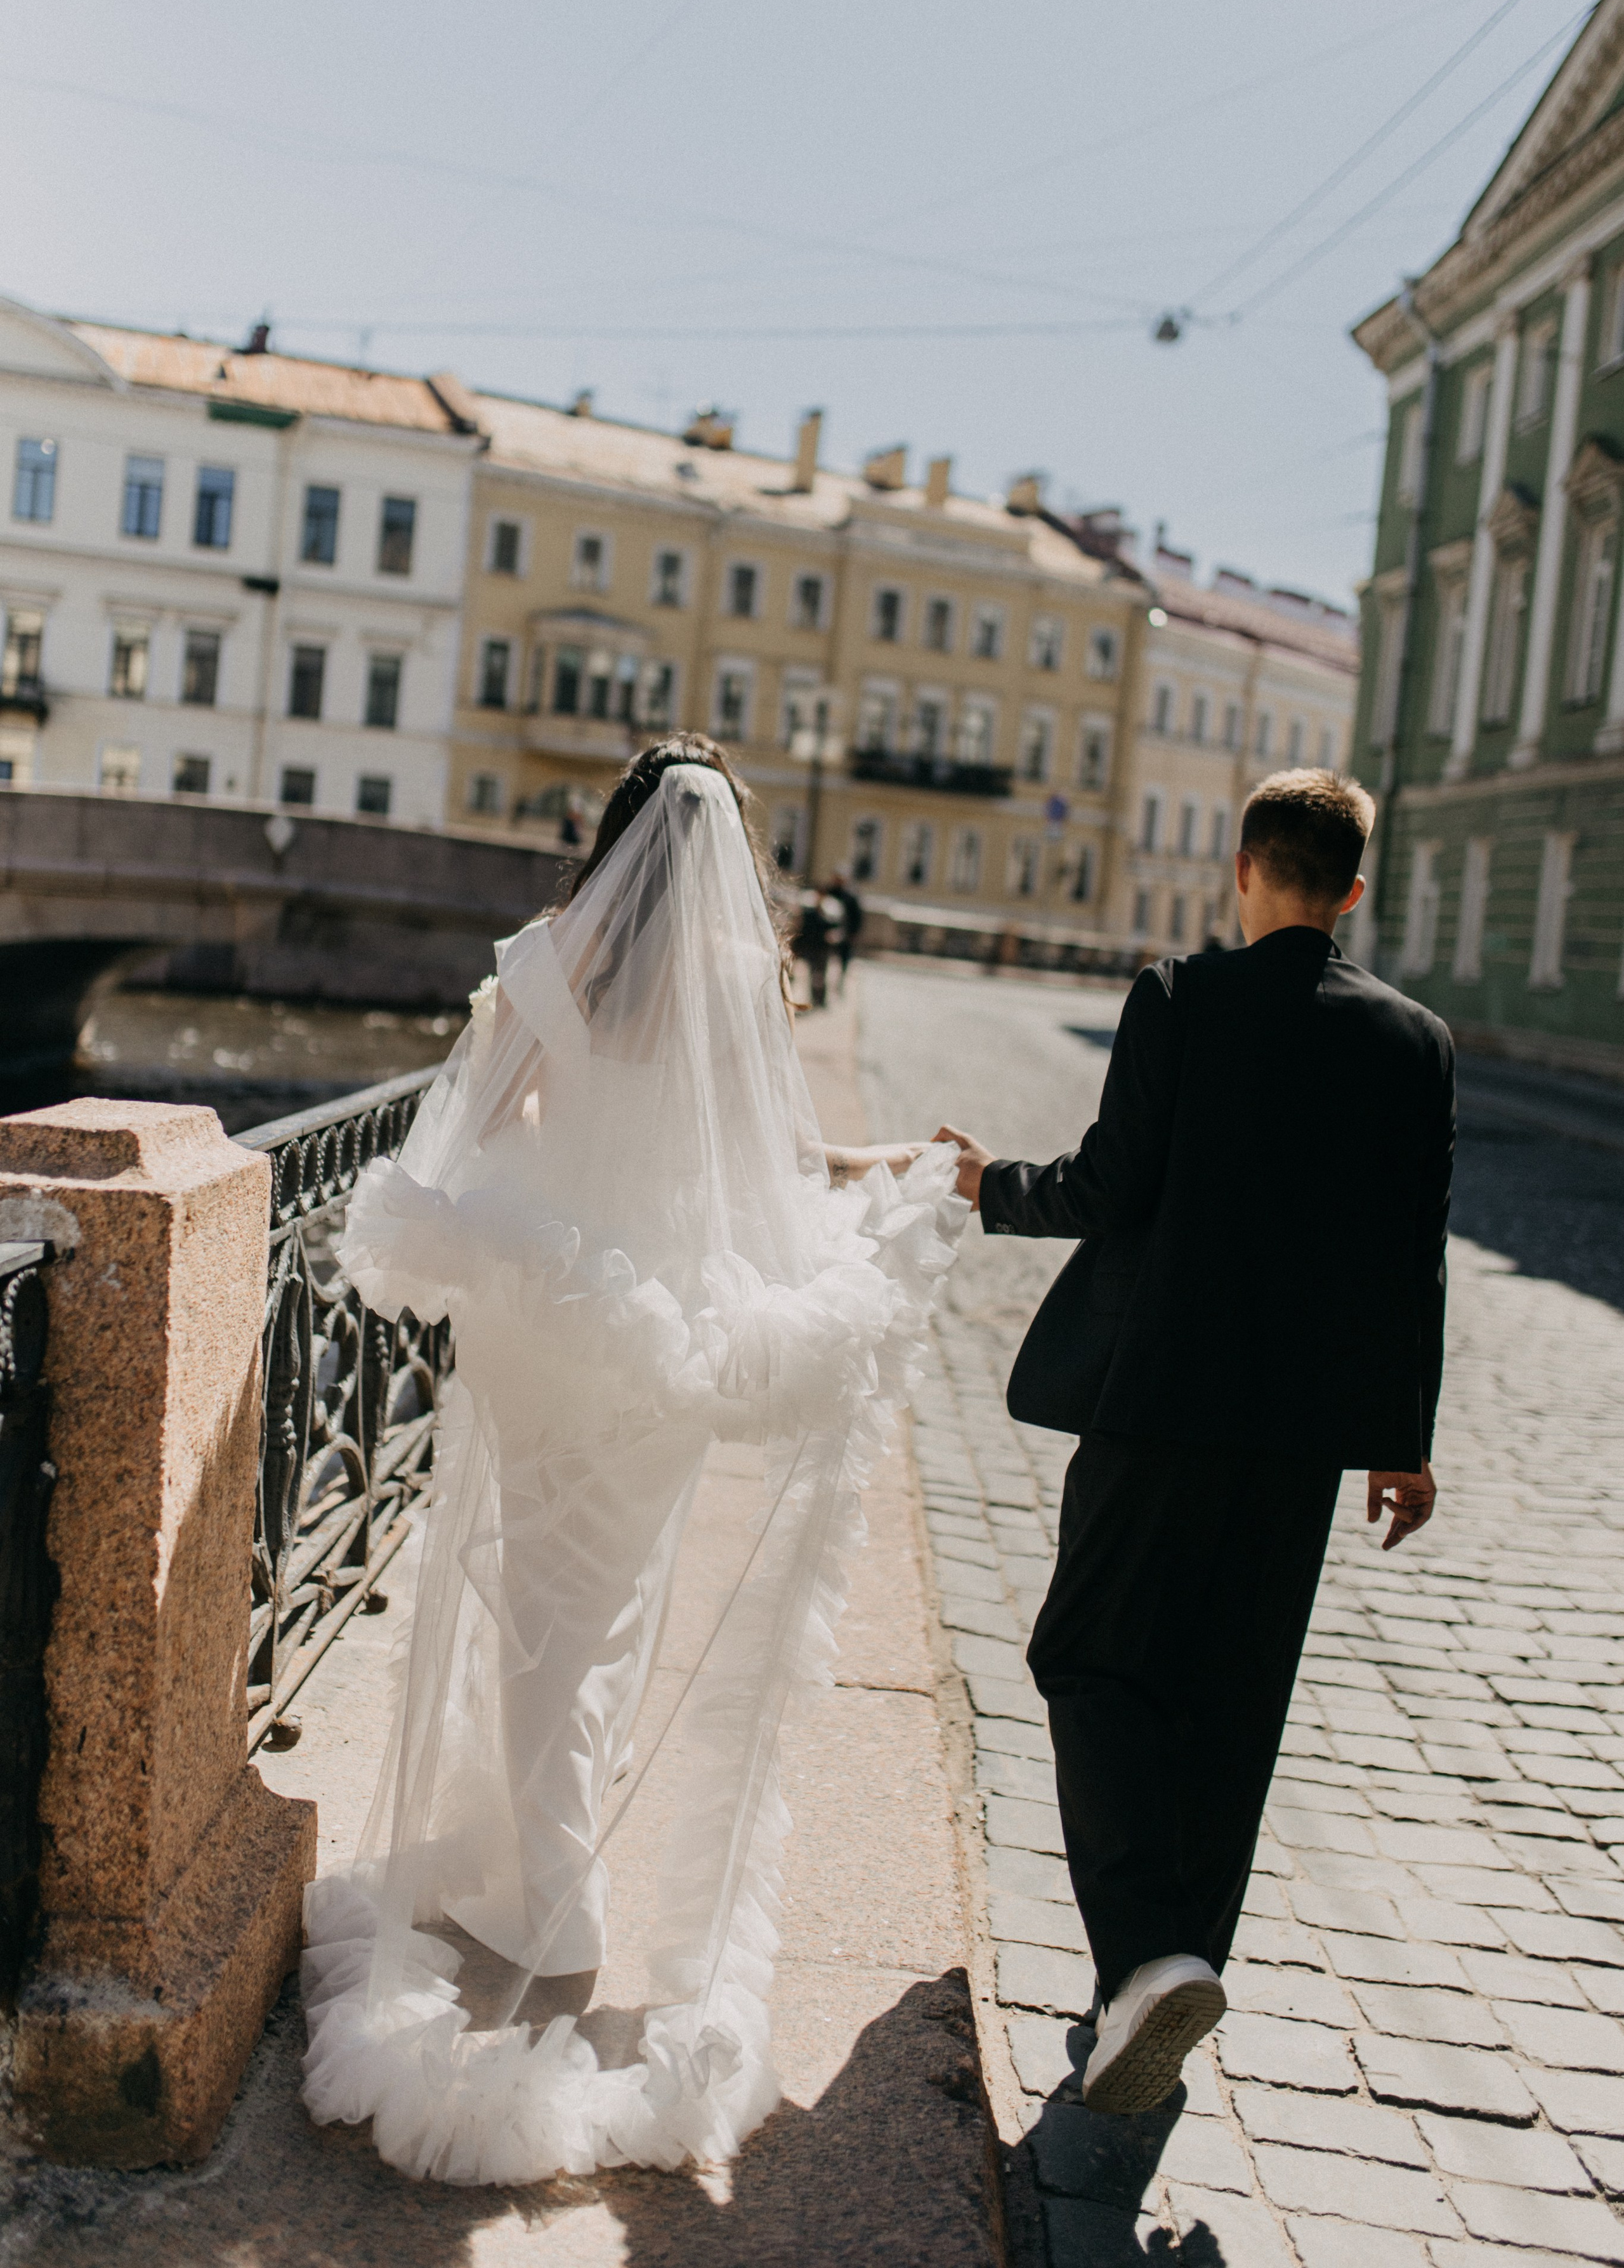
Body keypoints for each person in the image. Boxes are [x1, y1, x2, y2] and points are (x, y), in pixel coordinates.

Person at [301, 732, 962, 2184]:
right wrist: (882, 1179)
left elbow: (473, 1126)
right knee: (601, 1613)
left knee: (535, 1604)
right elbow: (771, 1167)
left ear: (609, 839)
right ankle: (537, 1859)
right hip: (671, 1337)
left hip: (555, 1328)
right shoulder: (746, 980)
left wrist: (548, 1129)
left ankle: (564, 1907)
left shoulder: (554, 957)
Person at [934, 768, 1453, 2115]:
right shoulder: (1413, 1042)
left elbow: (1113, 1185)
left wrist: (991, 1184)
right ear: (1351, 890)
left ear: (1240, 869)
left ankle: (1142, 1960)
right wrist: (1402, 1441)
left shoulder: (1179, 996)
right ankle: (1173, 1973)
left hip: (1155, 1401)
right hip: (1301, 1442)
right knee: (1233, 1702)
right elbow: (1411, 1259)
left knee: (1085, 1655)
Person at [794, 881, 844, 1009]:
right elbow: (804, 928)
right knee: (813, 975)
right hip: (812, 946)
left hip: (823, 947)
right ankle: (814, 999)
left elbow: (835, 928)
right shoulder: (810, 910)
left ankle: (821, 1000)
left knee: (821, 974)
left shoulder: (831, 909)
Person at [830, 871, 865, 991]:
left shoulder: (850, 897)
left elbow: (857, 917)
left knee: (843, 961)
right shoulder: (830, 892)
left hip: (845, 933)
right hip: (829, 933)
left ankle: (840, 984)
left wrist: (853, 934)